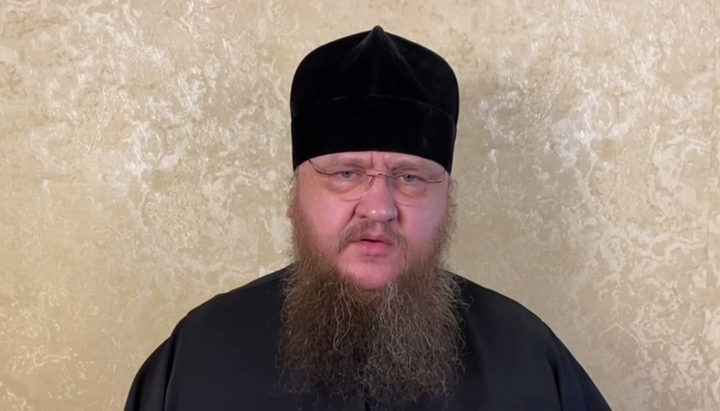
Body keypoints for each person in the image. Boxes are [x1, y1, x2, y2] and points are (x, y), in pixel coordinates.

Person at [123, 26, 612, 411]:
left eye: (410, 178)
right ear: (296, 198)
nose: (379, 208)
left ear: (447, 204)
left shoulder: (527, 357)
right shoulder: (200, 353)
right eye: (346, 174)